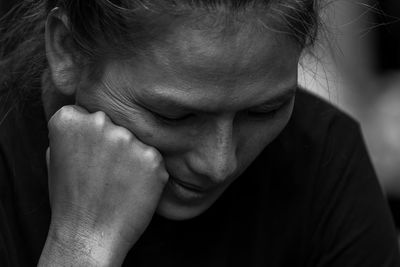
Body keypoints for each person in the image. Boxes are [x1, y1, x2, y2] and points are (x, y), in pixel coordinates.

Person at [0, 0, 399, 266]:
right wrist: (81, 244)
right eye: (173, 116)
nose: (218, 164)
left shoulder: (325, 160)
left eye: (264, 111)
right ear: (68, 50)